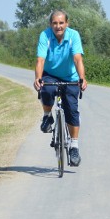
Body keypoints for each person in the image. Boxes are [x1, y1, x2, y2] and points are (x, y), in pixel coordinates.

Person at [34, 9, 88, 167]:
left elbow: (77, 59)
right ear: (50, 24)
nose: (58, 26)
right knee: (47, 89)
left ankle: (74, 147)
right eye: (55, 23)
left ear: (67, 23)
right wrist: (38, 78)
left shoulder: (73, 36)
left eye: (61, 23)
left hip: (70, 77)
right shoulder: (45, 36)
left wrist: (82, 78)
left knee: (71, 109)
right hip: (50, 73)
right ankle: (47, 115)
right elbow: (40, 60)